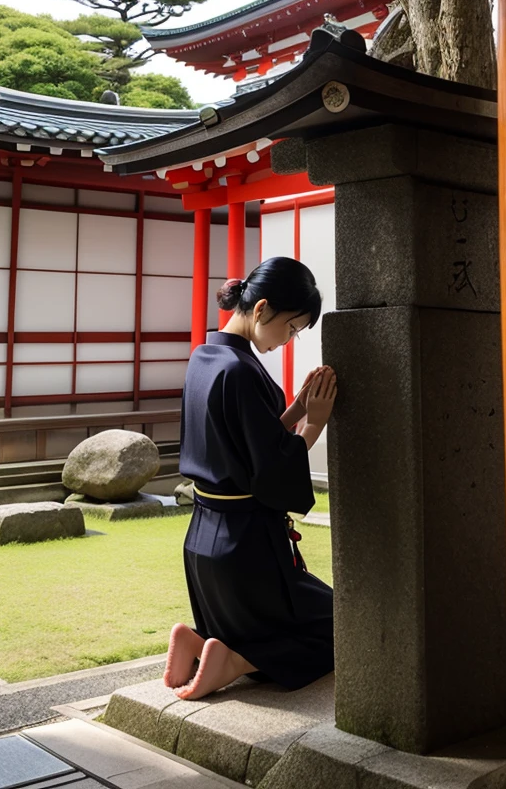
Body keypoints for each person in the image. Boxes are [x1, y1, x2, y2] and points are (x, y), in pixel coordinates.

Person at [164, 256, 337, 700]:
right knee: (341, 630)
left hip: (205, 544)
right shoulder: (241, 370)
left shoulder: (206, 357)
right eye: (292, 327)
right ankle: (232, 661)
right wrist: (315, 423)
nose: (289, 339)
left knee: (267, 630)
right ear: (261, 310)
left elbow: (246, 443)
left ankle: (200, 643)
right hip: (248, 549)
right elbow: (271, 470)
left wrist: (297, 408)